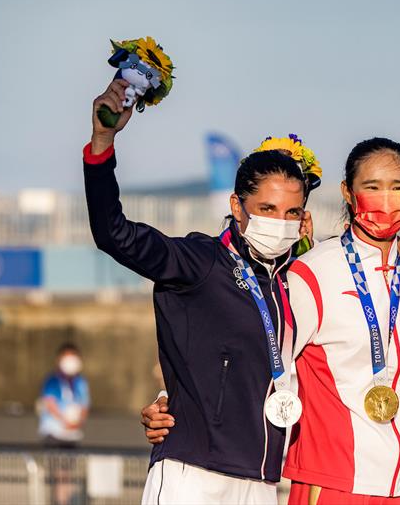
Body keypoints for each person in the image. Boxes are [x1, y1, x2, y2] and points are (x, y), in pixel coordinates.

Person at [142, 138, 400, 505]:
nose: (386, 198)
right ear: (348, 192)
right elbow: (260, 354)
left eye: (398, 187)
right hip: (332, 480)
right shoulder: (314, 271)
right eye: (373, 187)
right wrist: (173, 399)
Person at [85, 79, 318, 504]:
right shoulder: (199, 261)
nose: (279, 222)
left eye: (291, 212)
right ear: (236, 207)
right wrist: (102, 142)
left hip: (262, 481)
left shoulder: (295, 282)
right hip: (193, 474)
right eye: (266, 209)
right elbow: (113, 234)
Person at [38, 343, 90, 447]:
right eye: (67, 357)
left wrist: (77, 423)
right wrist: (65, 421)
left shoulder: (81, 382)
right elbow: (50, 404)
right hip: (53, 435)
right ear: (59, 359)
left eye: (73, 357)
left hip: (72, 436)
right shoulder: (52, 381)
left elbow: (85, 405)